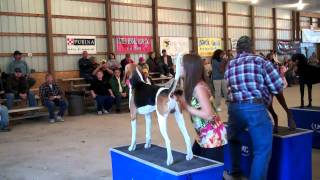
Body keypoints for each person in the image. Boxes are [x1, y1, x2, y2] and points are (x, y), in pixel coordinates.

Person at [225, 36, 294, 180]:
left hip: (233, 108)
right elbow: (277, 86)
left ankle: (235, 172)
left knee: (233, 139)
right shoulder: (261, 61)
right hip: (254, 107)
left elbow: (227, 88)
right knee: (262, 149)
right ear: (252, 48)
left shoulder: (230, 64)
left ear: (237, 49)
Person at [175, 54, 227, 163]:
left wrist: (187, 107)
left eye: (181, 65)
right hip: (203, 135)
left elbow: (208, 114)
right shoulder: (191, 85)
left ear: (189, 68)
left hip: (213, 136)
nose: (179, 67)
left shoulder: (199, 87)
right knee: (194, 163)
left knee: (209, 172)